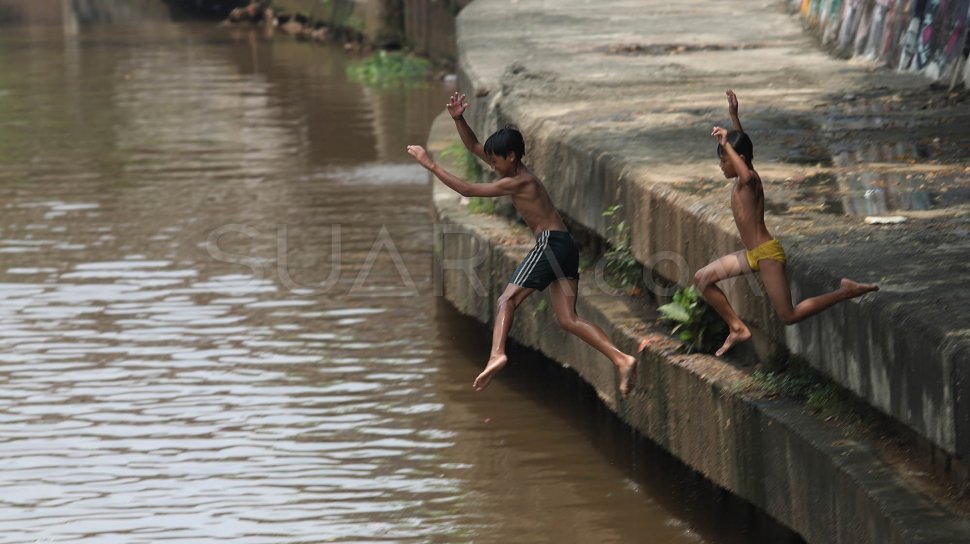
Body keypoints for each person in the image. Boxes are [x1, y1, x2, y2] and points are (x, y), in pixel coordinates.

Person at [407, 92, 641, 397]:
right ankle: (622, 359)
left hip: (550, 245)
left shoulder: (517, 181)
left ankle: (497, 354)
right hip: (565, 245)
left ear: (512, 157)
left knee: (507, 300)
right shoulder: (513, 172)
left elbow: (467, 188)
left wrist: (431, 165)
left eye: (494, 159)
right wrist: (458, 119)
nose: (490, 163)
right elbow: (474, 146)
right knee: (568, 319)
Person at [696, 90, 879, 357]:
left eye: (724, 160)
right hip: (751, 255)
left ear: (738, 161)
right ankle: (736, 328)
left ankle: (845, 292)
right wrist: (734, 116)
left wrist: (726, 144)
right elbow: (743, 146)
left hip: (768, 254)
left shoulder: (750, 180)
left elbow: (742, 160)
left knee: (788, 315)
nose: (722, 166)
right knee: (702, 278)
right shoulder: (741, 175)